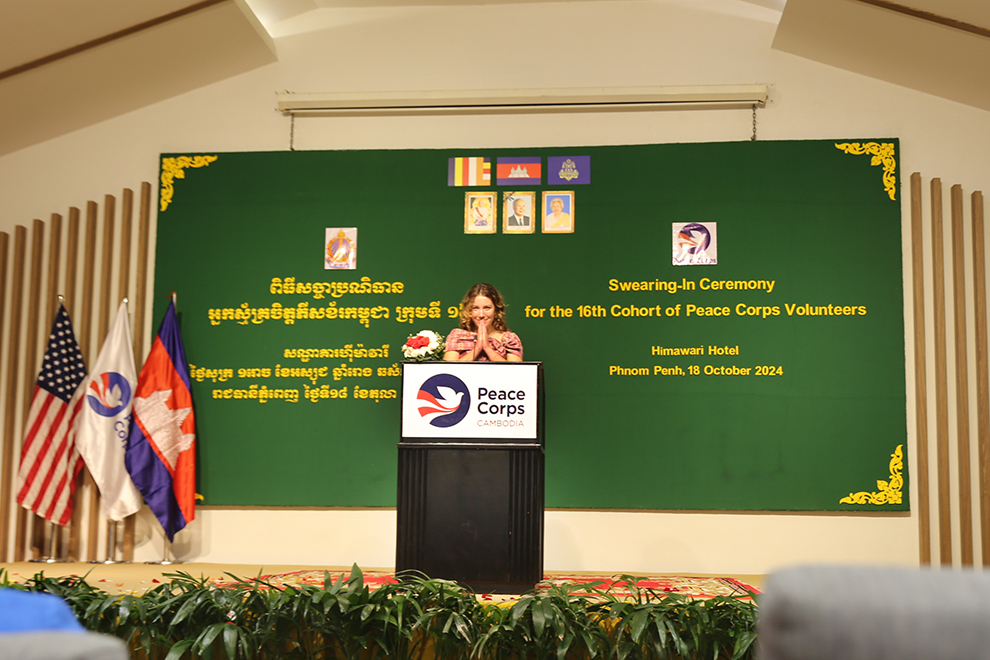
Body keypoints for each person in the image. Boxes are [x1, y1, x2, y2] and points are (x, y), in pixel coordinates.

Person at [444, 283, 523, 361]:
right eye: (475, 308)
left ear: (496, 310)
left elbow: (514, 368)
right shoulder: (457, 336)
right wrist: (478, 348)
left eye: (487, 308)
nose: (481, 314)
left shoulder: (509, 340)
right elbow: (449, 367)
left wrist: (487, 348)